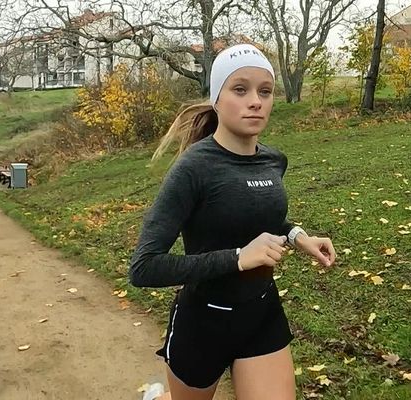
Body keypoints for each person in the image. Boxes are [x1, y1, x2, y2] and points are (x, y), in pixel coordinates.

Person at [129, 43, 336, 400]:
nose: (255, 101)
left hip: (261, 314)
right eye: (240, 89)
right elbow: (144, 268)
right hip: (203, 321)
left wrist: (297, 235)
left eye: (265, 91)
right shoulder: (193, 168)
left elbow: (260, 218)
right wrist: (238, 257)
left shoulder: (273, 160)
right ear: (217, 98)